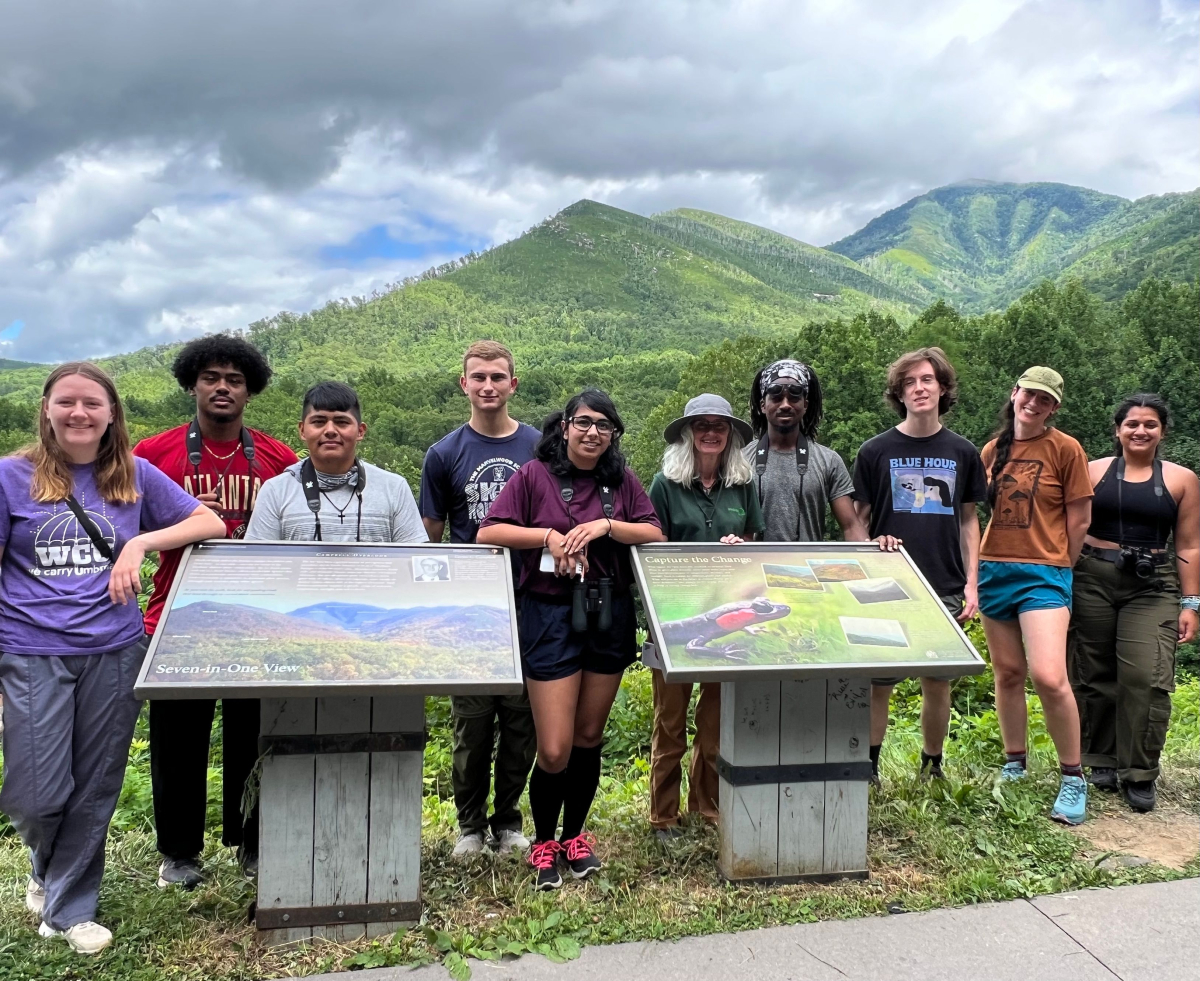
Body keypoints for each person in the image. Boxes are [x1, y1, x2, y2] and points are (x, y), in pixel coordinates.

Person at [0, 362, 225, 955]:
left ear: (111, 414)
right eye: (67, 402)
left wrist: (140, 540)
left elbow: (210, 521)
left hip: (114, 650)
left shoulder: (133, 476)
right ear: (46, 409)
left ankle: (69, 910)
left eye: (92, 403)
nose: (79, 413)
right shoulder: (9, 478)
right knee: (36, 793)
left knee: (96, 786)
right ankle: (44, 866)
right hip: (30, 652)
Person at [478, 389, 663, 890]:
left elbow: (653, 533)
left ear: (613, 435)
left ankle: (574, 838)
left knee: (588, 738)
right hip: (551, 614)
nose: (592, 433)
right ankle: (543, 842)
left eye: (604, 426)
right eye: (583, 422)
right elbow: (489, 532)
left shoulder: (620, 481)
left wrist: (605, 525)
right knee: (555, 748)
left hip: (607, 612)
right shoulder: (535, 476)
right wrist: (547, 537)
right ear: (564, 427)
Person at [134, 335, 298, 889]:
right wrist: (180, 522)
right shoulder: (153, 456)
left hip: (256, 617)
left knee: (256, 738)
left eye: (234, 379)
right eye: (211, 377)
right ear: (192, 385)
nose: (222, 387)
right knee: (178, 741)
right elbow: (122, 530)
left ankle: (253, 845)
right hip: (177, 615)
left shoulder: (277, 459)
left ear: (250, 390)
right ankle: (179, 854)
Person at [419, 341, 540, 859]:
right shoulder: (444, 454)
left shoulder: (539, 447)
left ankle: (508, 821)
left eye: (498, 377)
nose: (488, 385)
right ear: (463, 385)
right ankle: (469, 826)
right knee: (471, 725)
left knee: (521, 721)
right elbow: (431, 535)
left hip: (532, 599)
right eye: (478, 377)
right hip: (470, 607)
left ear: (513, 384)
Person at [852, 348, 986, 782]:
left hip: (944, 581)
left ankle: (933, 765)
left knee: (937, 680)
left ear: (943, 388)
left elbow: (969, 520)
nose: (919, 388)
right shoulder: (875, 450)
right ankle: (869, 767)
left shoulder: (963, 452)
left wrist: (972, 584)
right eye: (909, 382)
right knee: (879, 682)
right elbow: (858, 521)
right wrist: (873, 546)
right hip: (887, 583)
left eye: (927, 379)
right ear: (899, 393)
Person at [1069, 394, 1199, 812]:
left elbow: (1190, 544)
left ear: (1162, 430)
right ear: (1117, 430)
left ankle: (1139, 772)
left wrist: (1191, 602)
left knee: (1146, 676)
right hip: (1091, 575)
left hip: (1153, 583)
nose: (1140, 431)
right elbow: (1069, 526)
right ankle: (1100, 760)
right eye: (1132, 424)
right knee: (1093, 671)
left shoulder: (1181, 480)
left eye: (1150, 424)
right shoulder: (1091, 472)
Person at [979, 367, 1093, 826]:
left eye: (1044, 400)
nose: (1034, 404)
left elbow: (1080, 518)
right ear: (1015, 394)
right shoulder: (992, 450)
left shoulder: (1066, 449)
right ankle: (1015, 761)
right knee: (1007, 673)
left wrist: (1062, 565)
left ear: (1054, 408)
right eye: (1029, 395)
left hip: (1044, 573)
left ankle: (1073, 776)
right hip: (993, 568)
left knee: (1049, 676)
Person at [646, 394, 762, 841]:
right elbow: (652, 552)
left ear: (730, 434)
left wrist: (740, 548)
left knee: (714, 723)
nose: (711, 432)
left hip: (725, 617)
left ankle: (707, 806)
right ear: (688, 433)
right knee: (670, 723)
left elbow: (753, 542)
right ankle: (663, 815)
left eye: (720, 425)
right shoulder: (664, 484)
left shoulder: (743, 484)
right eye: (701, 425)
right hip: (676, 618)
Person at [246, 381, 425, 544]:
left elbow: (413, 561)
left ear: (360, 431)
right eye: (318, 422)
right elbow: (258, 565)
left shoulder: (394, 488)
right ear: (302, 430)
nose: (330, 430)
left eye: (341, 422)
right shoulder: (275, 491)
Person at [743, 359, 870, 544]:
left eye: (794, 398)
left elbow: (851, 526)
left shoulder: (828, 461)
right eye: (776, 398)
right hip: (752, 568)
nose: (785, 404)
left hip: (806, 569)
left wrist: (874, 555)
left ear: (806, 405)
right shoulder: (741, 460)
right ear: (763, 405)